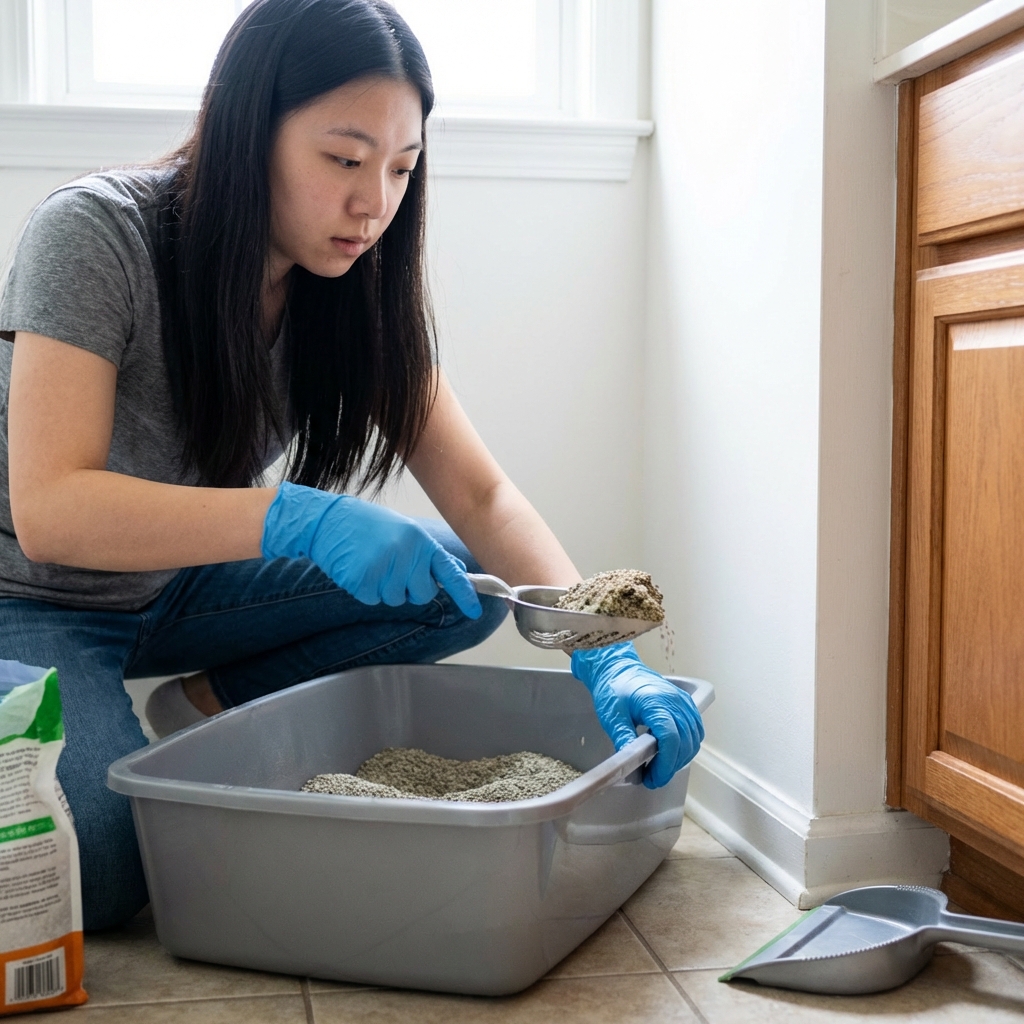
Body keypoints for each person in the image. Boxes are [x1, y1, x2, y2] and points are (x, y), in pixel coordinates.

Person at [0, 0, 703, 931]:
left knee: (463, 583)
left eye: (402, 167)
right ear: (252, 131)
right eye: (344, 158)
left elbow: (483, 493)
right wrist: (295, 518)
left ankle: (205, 703)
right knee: (109, 869)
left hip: (176, 588)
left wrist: (602, 652)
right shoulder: (95, 234)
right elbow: (50, 510)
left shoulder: (349, 286)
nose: (373, 202)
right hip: (31, 595)